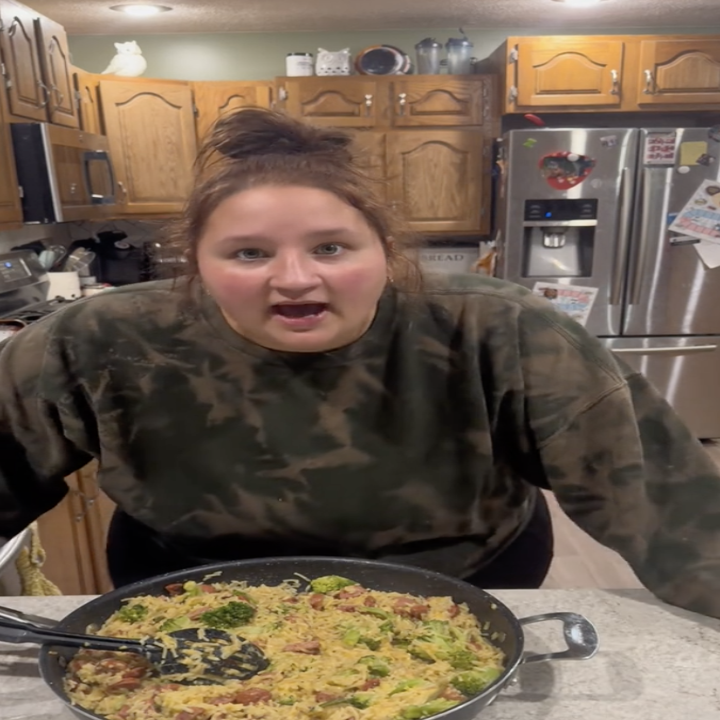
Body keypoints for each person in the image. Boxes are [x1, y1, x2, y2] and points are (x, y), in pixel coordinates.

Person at [0, 108, 719, 621]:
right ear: (196, 264)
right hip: (190, 600)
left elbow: (667, 503)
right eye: (249, 253)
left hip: (462, 594)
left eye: (332, 248)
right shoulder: (94, 339)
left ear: (387, 252)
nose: (294, 278)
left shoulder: (501, 328)